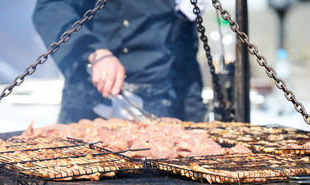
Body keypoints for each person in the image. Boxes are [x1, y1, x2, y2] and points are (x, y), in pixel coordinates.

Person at [33, 0, 208, 123]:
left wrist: (195, 113)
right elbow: (50, 7)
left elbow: (185, 47)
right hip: (91, 103)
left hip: (160, 102)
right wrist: (95, 52)